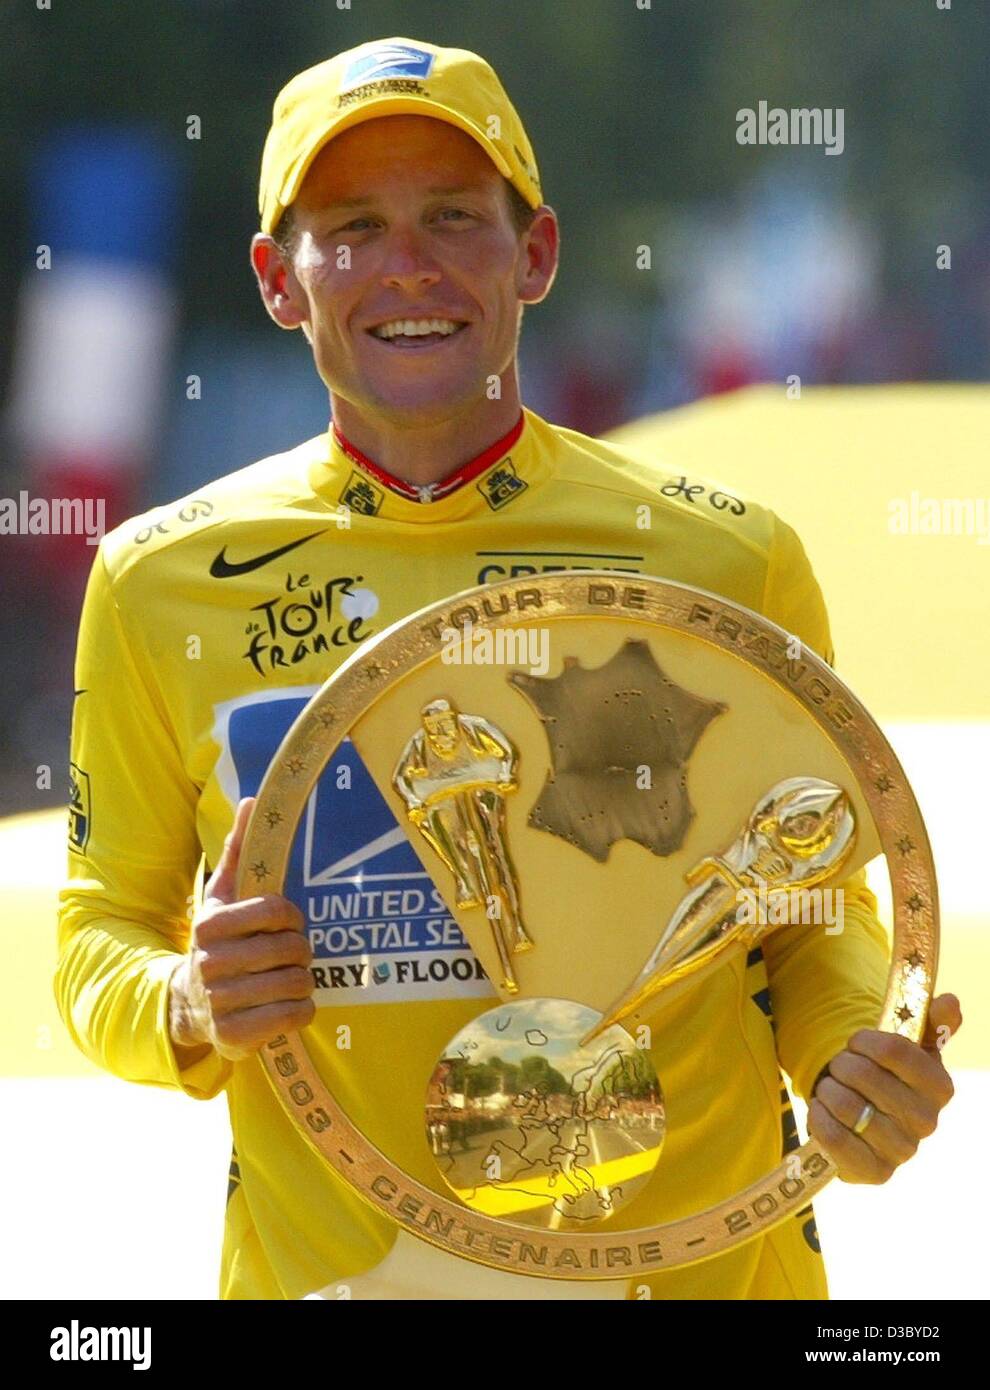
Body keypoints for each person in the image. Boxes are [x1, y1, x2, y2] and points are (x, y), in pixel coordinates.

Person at [55, 35, 960, 1300]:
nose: (408, 266)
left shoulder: (728, 556)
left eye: (452, 217)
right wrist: (186, 1000)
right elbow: (98, 928)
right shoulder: (157, 579)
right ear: (278, 278)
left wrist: (853, 1051)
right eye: (354, 227)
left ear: (533, 254)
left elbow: (813, 909)